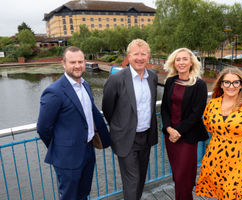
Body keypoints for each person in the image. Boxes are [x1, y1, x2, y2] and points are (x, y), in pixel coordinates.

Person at [37, 46, 110, 200]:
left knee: (84, 193)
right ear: (63, 64)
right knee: (69, 196)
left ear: (85, 62)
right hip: (67, 157)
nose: (77, 65)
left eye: (80, 61)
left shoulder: (86, 85)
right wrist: (61, 148)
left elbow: (90, 113)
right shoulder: (54, 91)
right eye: (72, 62)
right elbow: (43, 128)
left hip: (88, 150)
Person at [195, 67, 242, 200]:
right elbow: (209, 126)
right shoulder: (212, 105)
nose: (231, 86)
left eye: (235, 82)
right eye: (227, 82)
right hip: (215, 157)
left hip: (240, 159)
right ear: (221, 85)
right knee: (221, 193)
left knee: (233, 193)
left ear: (241, 85)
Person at [102, 39, 158, 200]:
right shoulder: (116, 79)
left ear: (148, 56)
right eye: (135, 54)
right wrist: (122, 126)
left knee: (140, 177)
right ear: (128, 56)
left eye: (143, 54)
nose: (139, 58)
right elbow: (108, 109)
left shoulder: (152, 77)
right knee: (132, 180)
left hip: (146, 136)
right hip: (126, 138)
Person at [161, 48, 209, 200]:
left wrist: (177, 131)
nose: (181, 62)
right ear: (174, 63)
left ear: (191, 62)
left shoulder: (199, 85)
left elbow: (196, 114)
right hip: (171, 137)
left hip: (187, 137)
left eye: (184, 59)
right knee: (177, 174)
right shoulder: (170, 82)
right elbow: (164, 109)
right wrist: (169, 129)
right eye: (178, 59)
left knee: (184, 176)